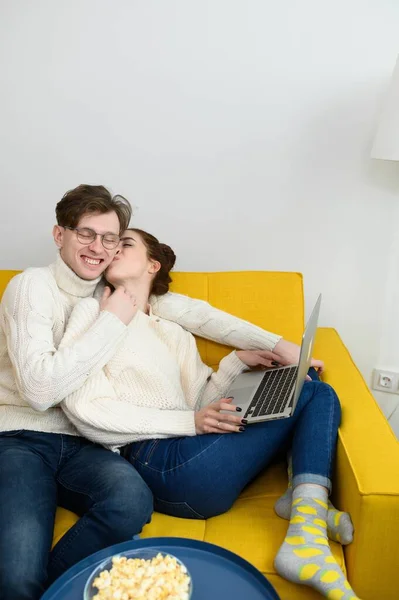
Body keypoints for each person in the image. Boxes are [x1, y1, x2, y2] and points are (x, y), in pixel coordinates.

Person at [0, 184, 320, 600]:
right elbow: (41, 391)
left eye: (110, 239)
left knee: (131, 502)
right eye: (85, 234)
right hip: (23, 437)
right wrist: (112, 320)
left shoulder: (115, 293)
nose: (99, 248)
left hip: (89, 443)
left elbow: (193, 314)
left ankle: (56, 593)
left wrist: (276, 348)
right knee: (16, 575)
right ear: (60, 235)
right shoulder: (33, 287)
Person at [61, 228, 360, 600]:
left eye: (125, 244)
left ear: (152, 265)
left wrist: (238, 363)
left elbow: (199, 401)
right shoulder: (93, 313)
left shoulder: (172, 330)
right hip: (154, 460)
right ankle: (308, 515)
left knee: (314, 387)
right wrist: (190, 422)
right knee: (309, 390)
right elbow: (88, 411)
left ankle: (305, 513)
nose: (111, 249)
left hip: (192, 450)